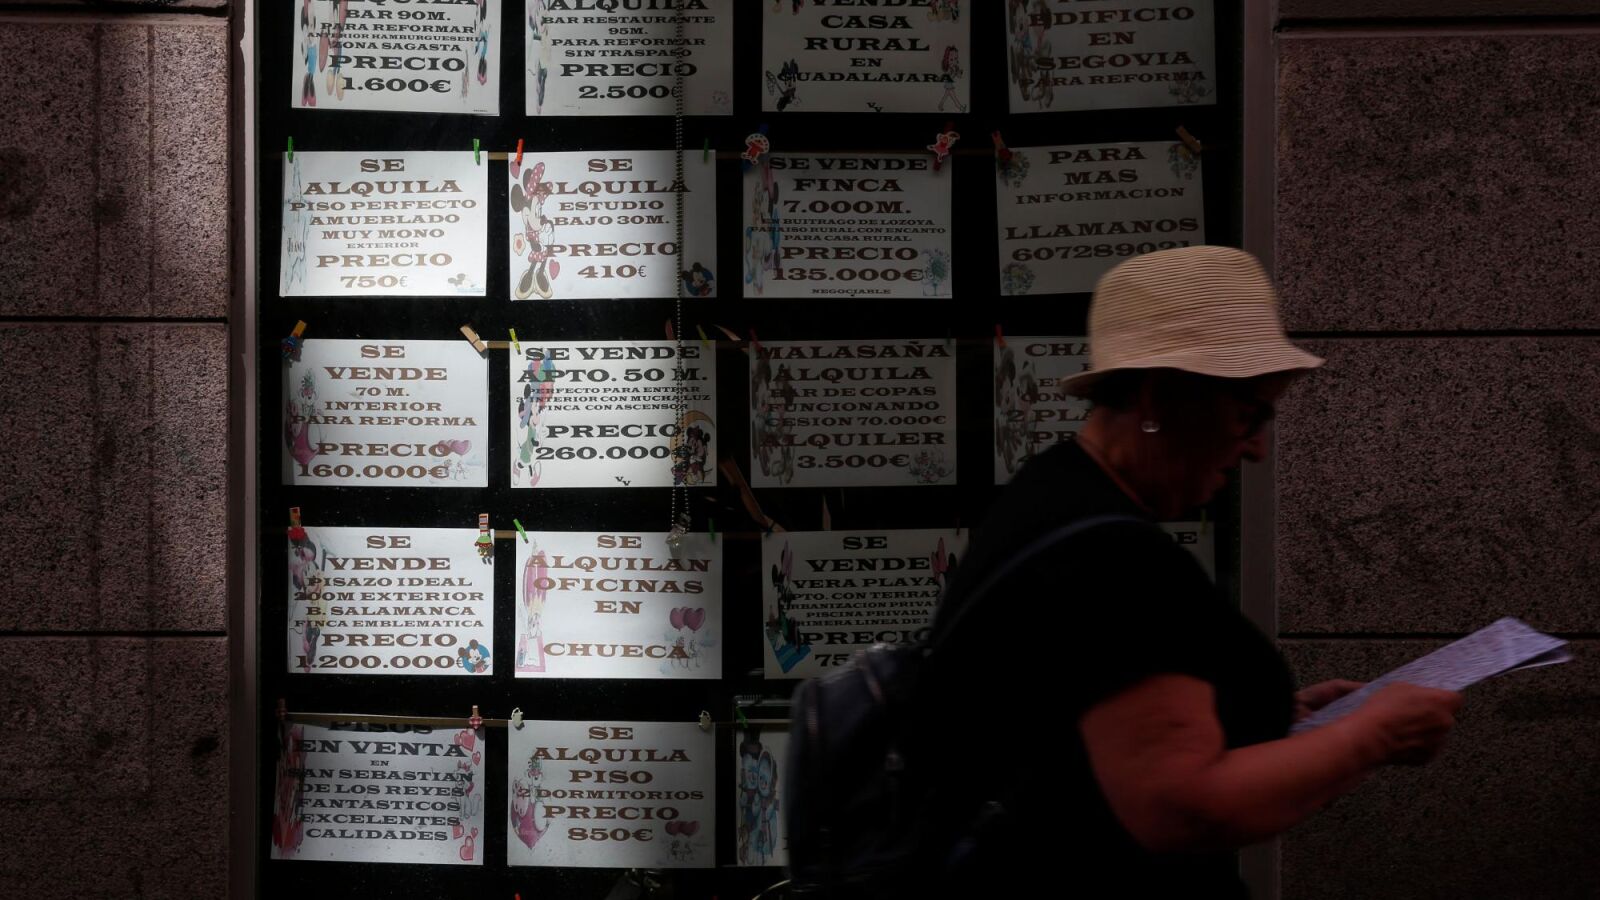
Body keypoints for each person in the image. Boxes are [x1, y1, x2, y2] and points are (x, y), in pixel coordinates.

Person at [913, 246, 1462, 897]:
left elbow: (1077, 728)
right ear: (1158, 397)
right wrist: (1373, 734)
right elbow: (1180, 808)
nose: (1257, 448)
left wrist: (1259, 717)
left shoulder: (1054, 492)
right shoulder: (1112, 557)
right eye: (1248, 414)